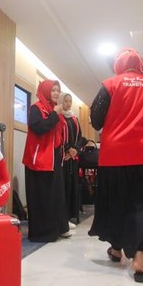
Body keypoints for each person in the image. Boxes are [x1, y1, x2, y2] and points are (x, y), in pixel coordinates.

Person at [88, 47, 143, 283]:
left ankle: (116, 249)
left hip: (115, 155)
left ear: (119, 65)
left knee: (117, 203)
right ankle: (139, 260)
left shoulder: (110, 84)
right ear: (141, 65)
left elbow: (96, 119)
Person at [23, 79, 71, 242]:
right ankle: (42, 234)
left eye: (58, 90)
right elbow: (39, 127)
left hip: (52, 159)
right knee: (41, 196)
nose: (57, 93)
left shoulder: (52, 109)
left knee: (54, 195)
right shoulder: (36, 108)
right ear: (45, 91)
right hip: (39, 160)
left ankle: (56, 229)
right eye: (53, 90)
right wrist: (55, 114)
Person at [60, 93, 82, 226]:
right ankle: (63, 215)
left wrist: (75, 149)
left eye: (70, 101)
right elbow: (59, 136)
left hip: (73, 157)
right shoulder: (59, 117)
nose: (68, 103)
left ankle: (72, 214)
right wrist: (68, 149)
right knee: (64, 184)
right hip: (63, 157)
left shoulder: (74, 118)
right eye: (66, 101)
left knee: (73, 184)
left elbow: (80, 137)